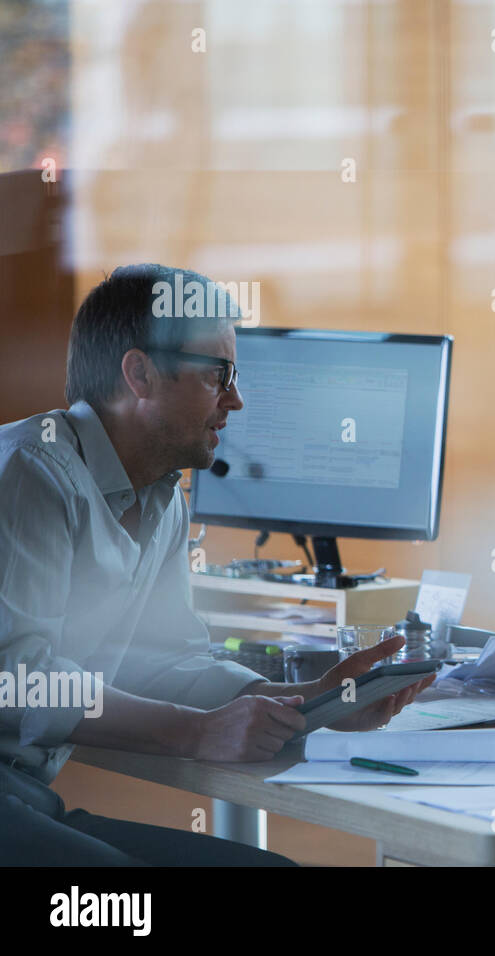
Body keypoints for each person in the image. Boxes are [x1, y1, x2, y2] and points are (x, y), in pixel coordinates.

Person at [0, 264, 433, 865]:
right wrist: (196, 731)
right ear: (140, 373)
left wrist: (309, 701)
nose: (236, 398)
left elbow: (168, 659)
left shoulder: (158, 496)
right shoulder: (31, 472)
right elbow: (19, 681)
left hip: (25, 803)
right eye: (218, 374)